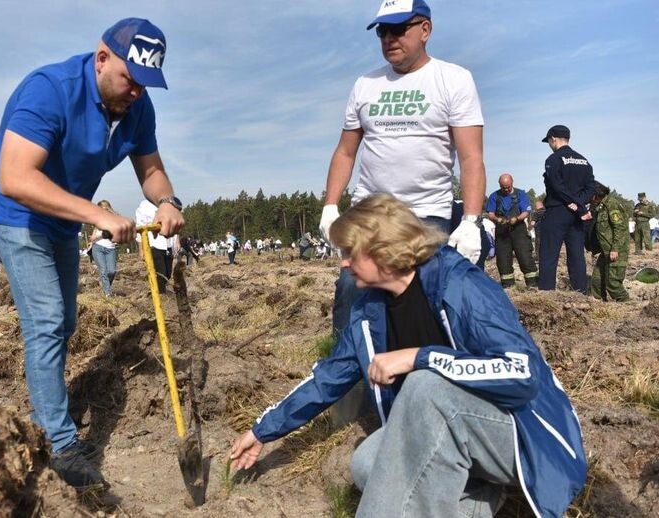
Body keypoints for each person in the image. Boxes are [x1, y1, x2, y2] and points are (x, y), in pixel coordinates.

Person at [229, 194, 586, 517]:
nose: (345, 263)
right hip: (455, 437)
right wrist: (262, 432)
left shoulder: (459, 284)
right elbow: (328, 377)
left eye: (351, 252)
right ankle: (480, 499)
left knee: (424, 386)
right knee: (367, 465)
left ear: (383, 249)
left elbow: (521, 374)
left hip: (524, 436)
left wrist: (420, 357)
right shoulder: (368, 310)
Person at [0, 18, 183, 489]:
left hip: (62, 219)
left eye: (146, 85)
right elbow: (15, 177)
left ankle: (39, 411)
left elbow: (150, 169)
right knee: (46, 319)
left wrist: (167, 200)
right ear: (102, 58)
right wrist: (97, 215)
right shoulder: (50, 89)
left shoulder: (137, 109)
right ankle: (58, 441)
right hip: (14, 212)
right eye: (130, 80)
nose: (136, 94)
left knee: (65, 322)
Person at [317, 0, 486, 338]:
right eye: (383, 31)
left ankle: (421, 369)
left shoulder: (453, 79)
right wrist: (331, 205)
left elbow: (471, 157)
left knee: (424, 296)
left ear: (425, 30)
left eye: (398, 29)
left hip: (427, 212)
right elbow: (345, 152)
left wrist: (470, 221)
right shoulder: (366, 84)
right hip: (371, 212)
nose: (389, 39)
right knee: (352, 289)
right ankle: (347, 372)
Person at [537, 125, 595, 292]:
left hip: (557, 210)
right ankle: (581, 293)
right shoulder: (583, 160)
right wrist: (579, 204)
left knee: (548, 255)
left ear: (553, 138)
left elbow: (557, 186)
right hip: (577, 215)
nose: (549, 144)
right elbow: (591, 188)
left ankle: (547, 294)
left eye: (548, 141)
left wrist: (572, 202)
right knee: (577, 255)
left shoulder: (553, 159)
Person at [485, 173, 538, 288]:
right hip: (502, 231)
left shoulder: (521, 194)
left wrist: (517, 218)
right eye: (503, 187)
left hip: (518, 230)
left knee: (525, 257)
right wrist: (497, 219)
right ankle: (509, 286)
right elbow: (490, 214)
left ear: (512, 182)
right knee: (503, 260)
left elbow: (526, 212)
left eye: (508, 187)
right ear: (499, 185)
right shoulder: (494, 196)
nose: (506, 189)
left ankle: (532, 284)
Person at [587, 182, 630, 301]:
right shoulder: (600, 206)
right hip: (606, 250)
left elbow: (620, 228)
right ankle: (600, 304)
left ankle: (626, 304)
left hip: (616, 250)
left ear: (596, 194)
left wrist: (615, 248)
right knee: (596, 280)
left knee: (613, 283)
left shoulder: (612, 204)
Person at [136, 199, 177, 291]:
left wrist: (176, 241)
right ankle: (161, 295)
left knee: (168, 273)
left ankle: (161, 289)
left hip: (168, 244)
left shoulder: (170, 203)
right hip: (154, 244)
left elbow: (174, 223)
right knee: (160, 272)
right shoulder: (144, 206)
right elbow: (140, 229)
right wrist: (141, 250)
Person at [89, 201, 118, 297]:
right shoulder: (97, 220)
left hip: (111, 249)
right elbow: (92, 238)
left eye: (106, 207)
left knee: (112, 271)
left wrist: (110, 210)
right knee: (103, 270)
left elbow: (119, 221)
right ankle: (107, 293)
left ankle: (106, 286)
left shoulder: (115, 219)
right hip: (98, 248)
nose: (104, 209)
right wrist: (100, 235)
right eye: (102, 208)